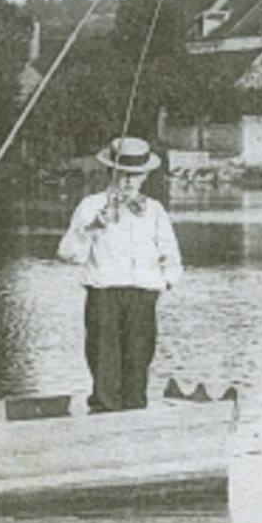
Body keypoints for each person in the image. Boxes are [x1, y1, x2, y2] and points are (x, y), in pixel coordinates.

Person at [56, 136, 183, 412]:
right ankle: (104, 417)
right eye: (123, 175)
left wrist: (165, 282)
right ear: (111, 172)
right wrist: (93, 227)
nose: (128, 182)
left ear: (145, 176)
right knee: (104, 361)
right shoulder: (92, 206)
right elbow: (67, 253)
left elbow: (170, 254)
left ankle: (135, 421)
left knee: (138, 361)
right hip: (104, 293)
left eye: (135, 176)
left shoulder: (155, 211)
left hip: (142, 295)